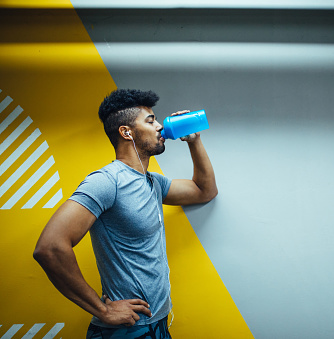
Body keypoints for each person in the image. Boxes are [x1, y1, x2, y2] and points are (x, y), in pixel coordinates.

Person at [33, 89, 218, 338]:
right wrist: (103, 310)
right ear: (126, 132)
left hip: (157, 323)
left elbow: (204, 191)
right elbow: (50, 248)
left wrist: (194, 142)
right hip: (126, 331)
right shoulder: (108, 181)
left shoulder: (153, 183)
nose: (160, 127)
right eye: (151, 121)